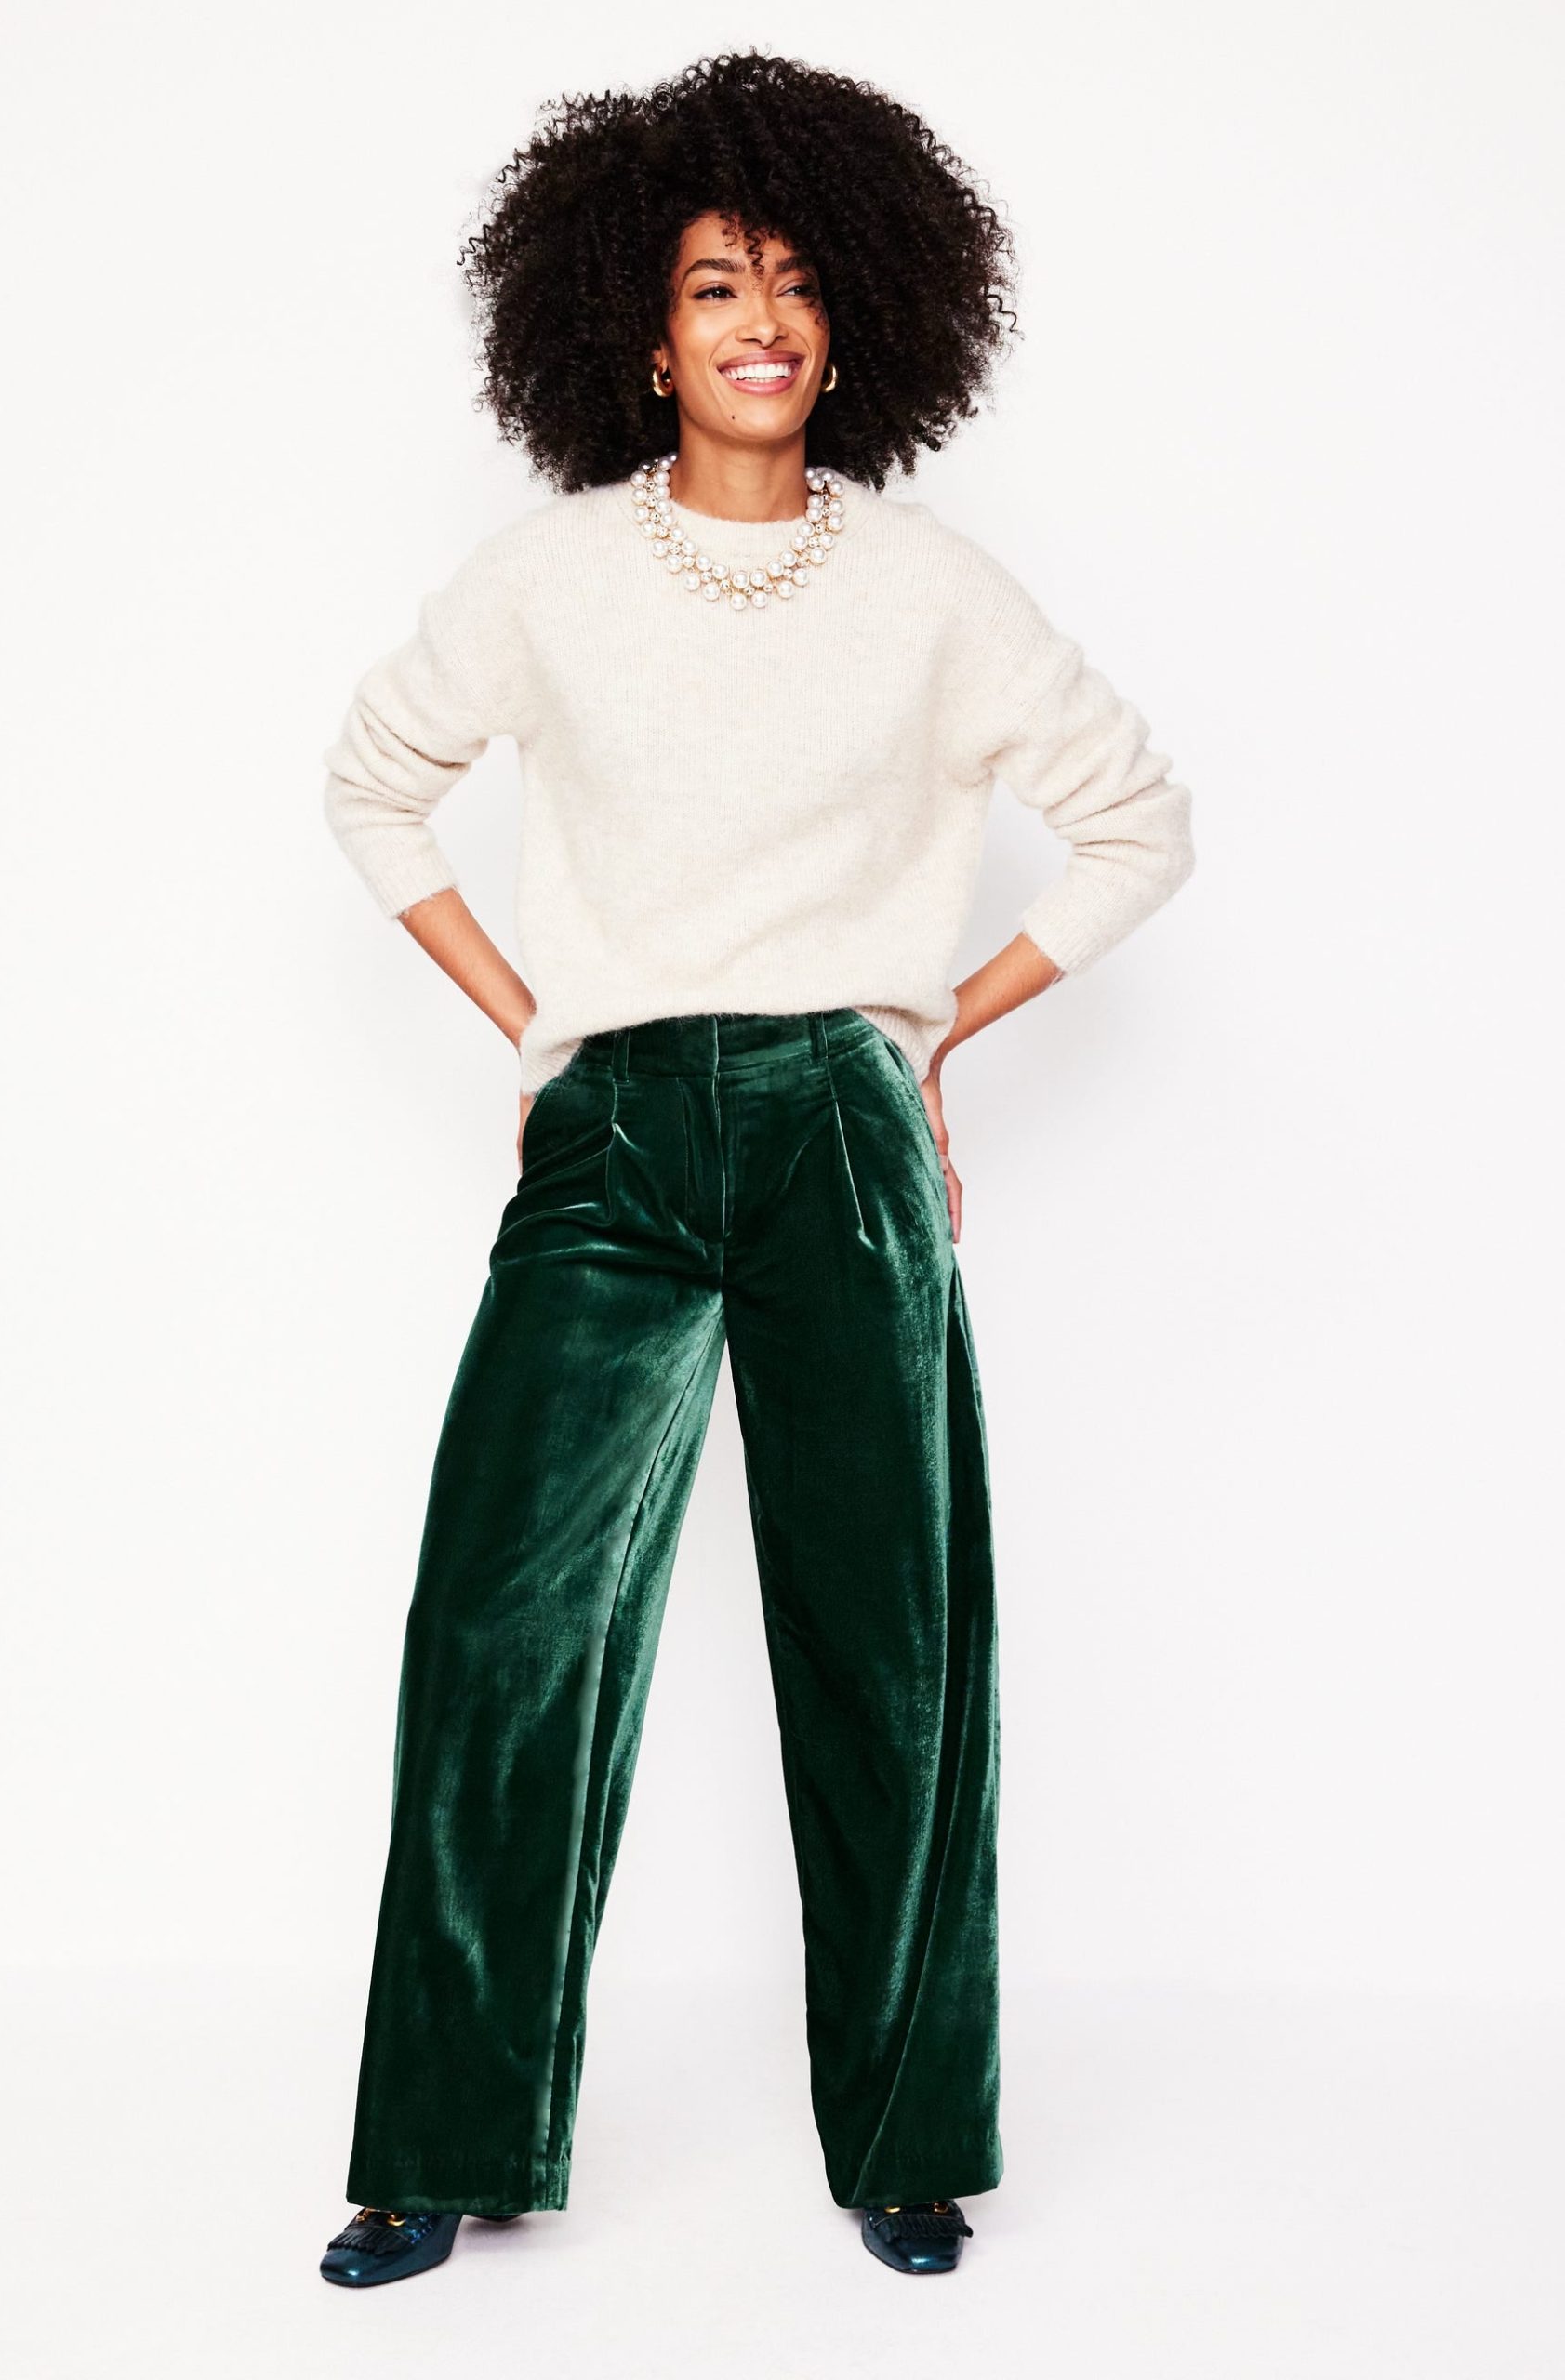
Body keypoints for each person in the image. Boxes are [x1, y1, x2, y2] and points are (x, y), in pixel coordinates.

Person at [314, 50, 1195, 2287]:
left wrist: (932, 1029)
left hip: (839, 1128)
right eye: (716, 283)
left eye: (795, 282)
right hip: (612, 1129)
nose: (762, 322)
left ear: (853, 315)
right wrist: (539, 1018)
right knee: (502, 1625)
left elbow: (1137, 820)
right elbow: (372, 784)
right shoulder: (548, 578)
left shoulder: (928, 588)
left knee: (889, 1641)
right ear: (644, 328)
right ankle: (440, 2139)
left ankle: (909, 2137)